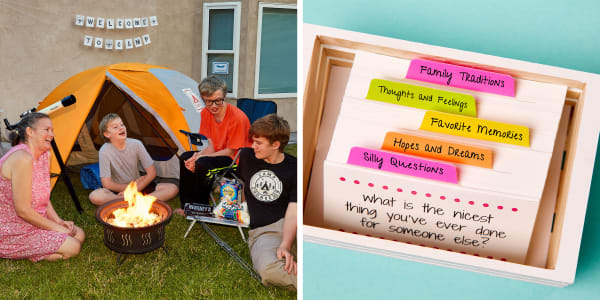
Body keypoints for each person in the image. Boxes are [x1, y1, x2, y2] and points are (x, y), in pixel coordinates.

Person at [0, 112, 85, 261]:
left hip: (35, 221)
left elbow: (43, 195)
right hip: (12, 227)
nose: (51, 134)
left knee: (79, 234)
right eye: (46, 130)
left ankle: (36, 248)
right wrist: (57, 229)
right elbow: (23, 211)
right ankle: (19, 249)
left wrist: (58, 221)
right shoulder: (22, 158)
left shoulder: (45, 155)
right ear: (30, 132)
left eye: (52, 130)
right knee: (73, 247)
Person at [236, 114, 297, 290]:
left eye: (258, 142)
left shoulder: (294, 169)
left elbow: (294, 211)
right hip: (265, 231)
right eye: (252, 141)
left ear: (276, 145)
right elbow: (238, 183)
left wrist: (286, 244)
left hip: (292, 223)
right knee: (268, 270)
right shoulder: (247, 156)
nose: (252, 146)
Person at [177, 76, 251, 215]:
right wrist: (197, 155)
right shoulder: (206, 113)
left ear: (224, 96)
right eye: (208, 101)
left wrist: (200, 159)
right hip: (219, 155)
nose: (213, 106)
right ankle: (186, 206)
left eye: (218, 101)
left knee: (203, 164)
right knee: (186, 157)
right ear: (202, 98)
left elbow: (230, 152)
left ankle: (201, 209)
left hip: (238, 161)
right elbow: (211, 146)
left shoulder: (237, 118)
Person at [88, 113, 179, 205]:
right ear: (107, 134)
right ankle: (136, 201)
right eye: (115, 127)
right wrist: (128, 190)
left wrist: (134, 189)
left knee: (172, 189)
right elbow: (106, 184)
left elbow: (152, 173)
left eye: (122, 124)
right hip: (119, 190)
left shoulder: (136, 144)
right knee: (95, 196)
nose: (121, 128)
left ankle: (129, 202)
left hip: (139, 185)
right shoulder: (104, 151)